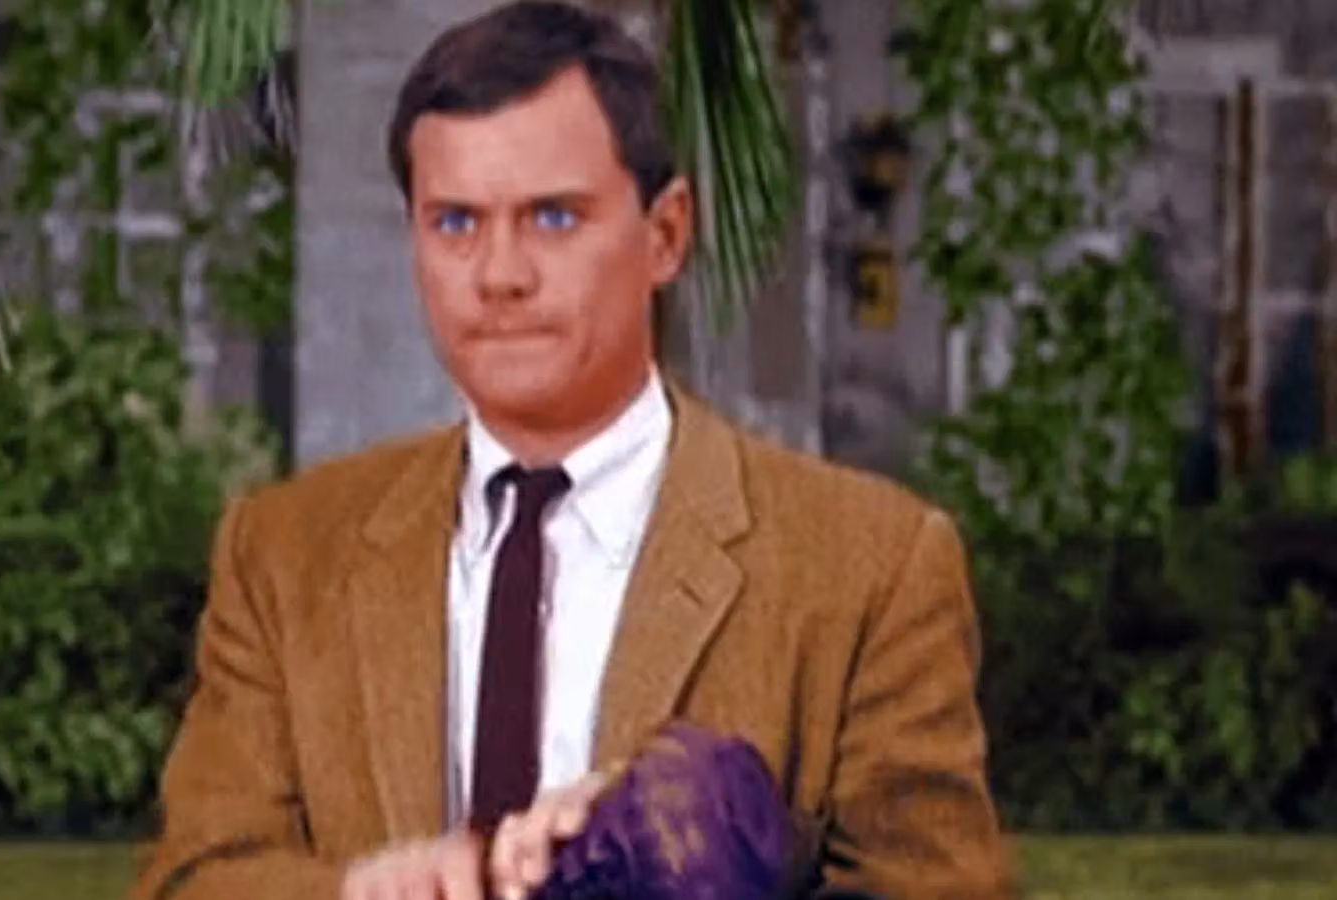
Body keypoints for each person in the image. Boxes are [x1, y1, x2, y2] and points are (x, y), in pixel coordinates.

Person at [128, 2, 1014, 899]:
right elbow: (194, 877)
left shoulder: (870, 567)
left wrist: (704, 849)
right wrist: (360, 892)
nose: (499, 274)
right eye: (455, 223)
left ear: (666, 234)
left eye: (552, 218)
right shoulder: (283, 555)